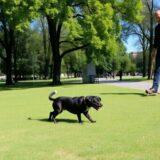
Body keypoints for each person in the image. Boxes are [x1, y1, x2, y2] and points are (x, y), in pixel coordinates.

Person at [146, 10, 160, 95]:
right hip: (159, 51)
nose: (157, 17)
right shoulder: (157, 28)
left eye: (158, 15)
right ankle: (154, 88)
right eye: (156, 16)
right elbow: (156, 41)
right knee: (157, 70)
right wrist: (153, 51)